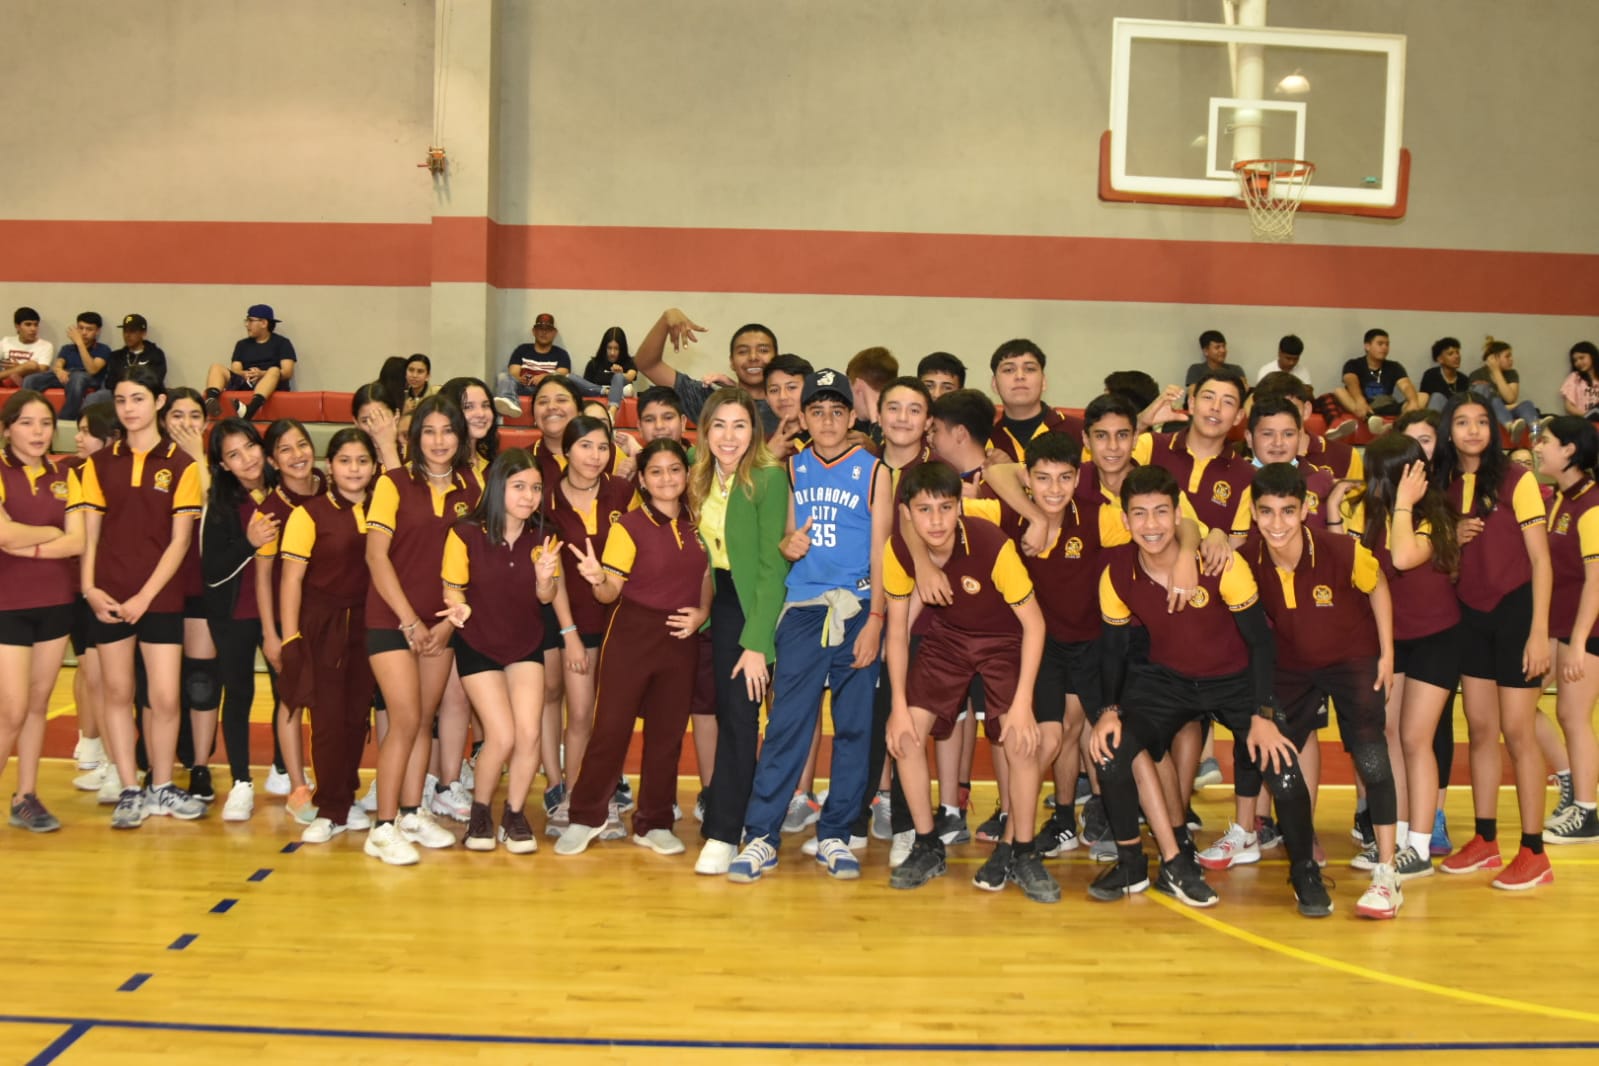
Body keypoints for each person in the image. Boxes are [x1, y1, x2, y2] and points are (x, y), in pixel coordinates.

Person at [1090, 465, 1330, 916]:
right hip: (1169, 681)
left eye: (1162, 512)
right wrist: (1107, 710)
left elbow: (1260, 641)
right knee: (1111, 749)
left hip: (1235, 680)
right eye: (1139, 514)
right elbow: (1113, 650)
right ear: (1125, 522)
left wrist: (1261, 713)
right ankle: (1131, 863)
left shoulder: (1220, 562)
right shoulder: (1116, 573)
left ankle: (1304, 872)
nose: (1151, 524)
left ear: (1178, 514)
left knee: (1281, 762)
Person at [719, 369, 890, 884]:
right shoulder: (790, 470)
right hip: (804, 610)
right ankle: (763, 836)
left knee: (856, 729)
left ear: (853, 416)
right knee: (788, 724)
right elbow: (786, 538)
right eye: (817, 411)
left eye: (838, 411)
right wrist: (787, 544)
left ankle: (836, 832)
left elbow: (883, 552)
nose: (829, 420)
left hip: (857, 608)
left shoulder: (875, 470)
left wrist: (877, 619)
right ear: (803, 417)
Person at [1246, 462, 1404, 918]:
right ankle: (1302, 863)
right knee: (1280, 763)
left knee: (1372, 758)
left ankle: (1388, 872)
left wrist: (1388, 655)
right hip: (1292, 668)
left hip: (1352, 659)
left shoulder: (1341, 550)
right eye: (1267, 512)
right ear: (1254, 513)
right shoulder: (1248, 558)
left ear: (1306, 510)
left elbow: (1378, 590)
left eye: (1287, 511)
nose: (1277, 523)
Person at [883, 461, 1045, 891]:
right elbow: (897, 633)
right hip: (949, 639)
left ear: (959, 507)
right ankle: (926, 844)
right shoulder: (898, 551)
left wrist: (1024, 703)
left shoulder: (991, 543)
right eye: (924, 510)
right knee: (904, 736)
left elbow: (1034, 625)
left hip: (1004, 640)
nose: (935, 520)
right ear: (909, 513)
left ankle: (1024, 850)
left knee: (1023, 739)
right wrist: (899, 707)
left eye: (945, 507)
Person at [557, 439, 711, 856]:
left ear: (686, 474)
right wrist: (596, 578)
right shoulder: (628, 526)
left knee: (668, 735)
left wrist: (701, 613)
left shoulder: (698, 523)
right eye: (656, 471)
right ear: (642, 479)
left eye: (674, 469)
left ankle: (654, 821)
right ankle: (586, 816)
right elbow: (609, 594)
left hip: (680, 640)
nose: (666, 479)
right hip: (632, 635)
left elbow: (705, 578)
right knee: (611, 730)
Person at [72, 367, 207, 828]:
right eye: (123, 400)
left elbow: (180, 542)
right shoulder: (98, 463)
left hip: (159, 598)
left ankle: (162, 785)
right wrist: (89, 588)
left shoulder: (182, 465)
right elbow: (89, 533)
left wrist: (146, 597)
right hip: (107, 595)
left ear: (159, 402)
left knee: (166, 697)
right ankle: (130, 787)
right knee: (116, 692)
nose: (130, 409)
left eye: (138, 399)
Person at [1432, 392, 1554, 889]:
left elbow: (1541, 561)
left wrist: (1540, 632)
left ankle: (1534, 850)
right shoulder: (1440, 483)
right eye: (1462, 422)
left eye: (1482, 421)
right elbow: (1436, 556)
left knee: (1519, 732)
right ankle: (1485, 839)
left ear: (1494, 429)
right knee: (1480, 730)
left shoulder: (1517, 479)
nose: (1473, 430)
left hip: (1517, 614)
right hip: (1469, 616)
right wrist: (1450, 537)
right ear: (1449, 431)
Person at [1333, 431, 1463, 882]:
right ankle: (1401, 835)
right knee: (1388, 733)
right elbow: (1344, 565)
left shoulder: (1435, 514)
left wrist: (1405, 502)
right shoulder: (1364, 512)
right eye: (1380, 478)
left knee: (1415, 738)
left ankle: (1422, 845)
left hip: (1436, 639)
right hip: (1390, 639)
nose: (1383, 486)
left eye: (1395, 477)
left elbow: (1405, 557)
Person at [362, 394, 481, 865]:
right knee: (406, 718)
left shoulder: (473, 487)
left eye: (447, 431)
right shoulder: (392, 484)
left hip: (443, 625)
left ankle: (411, 812)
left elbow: (473, 564)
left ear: (460, 437)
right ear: (415, 438)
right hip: (391, 620)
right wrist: (410, 620)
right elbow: (376, 556)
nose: (438, 440)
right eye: (428, 431)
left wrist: (447, 625)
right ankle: (383, 826)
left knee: (424, 720)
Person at [438, 448, 561, 852]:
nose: (529, 496)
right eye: (519, 487)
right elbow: (452, 586)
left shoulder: (544, 533)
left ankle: (514, 814)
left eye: (536, 488)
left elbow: (547, 597)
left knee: (529, 734)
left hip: (525, 642)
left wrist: (546, 579)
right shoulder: (465, 532)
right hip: (479, 642)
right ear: (497, 488)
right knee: (503, 735)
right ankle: (479, 811)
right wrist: (456, 604)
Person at [689, 388, 790, 875]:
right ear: (705, 430)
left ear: (755, 431)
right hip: (706, 599)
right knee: (708, 707)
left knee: (739, 714)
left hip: (749, 602)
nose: (729, 437)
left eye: (740, 425)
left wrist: (757, 643)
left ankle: (727, 832)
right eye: (719, 426)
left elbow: (773, 568)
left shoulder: (769, 478)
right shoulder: (696, 467)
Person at [278, 428, 380, 844]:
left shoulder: (384, 509)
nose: (354, 469)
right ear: (330, 466)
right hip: (324, 626)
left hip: (371, 625)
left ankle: (346, 796)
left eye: (362, 461)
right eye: (345, 461)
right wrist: (290, 639)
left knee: (357, 718)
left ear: (374, 467)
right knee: (327, 720)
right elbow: (290, 581)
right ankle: (328, 806)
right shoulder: (310, 514)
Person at [538, 414, 636, 837]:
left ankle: (601, 795)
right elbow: (552, 573)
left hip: (617, 620)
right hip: (568, 620)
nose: (595, 456)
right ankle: (575, 797)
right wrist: (570, 634)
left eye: (602, 447)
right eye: (585, 446)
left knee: (608, 715)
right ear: (567, 450)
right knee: (579, 713)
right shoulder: (547, 501)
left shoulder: (623, 491)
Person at [0, 391, 85, 832]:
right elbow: (1, 533)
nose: (38, 432)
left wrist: (26, 542)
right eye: (28, 423)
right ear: (8, 427)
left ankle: (26, 796)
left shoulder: (66, 473)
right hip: (7, 605)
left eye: (45, 423)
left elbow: (77, 541)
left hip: (54, 603)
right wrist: (49, 533)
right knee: (10, 710)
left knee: (36, 705)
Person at [253, 419, 329, 822]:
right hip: (291, 622)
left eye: (302, 444)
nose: (298, 454)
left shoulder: (331, 487)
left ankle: (329, 779)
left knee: (329, 702)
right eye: (285, 449)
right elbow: (264, 580)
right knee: (291, 700)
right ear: (272, 460)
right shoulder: (269, 511)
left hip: (333, 616)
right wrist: (272, 632)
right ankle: (297, 784)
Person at [1534, 417, 1599, 844]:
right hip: (1560, 627)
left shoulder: (1591, 505)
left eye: (1547, 441)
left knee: (1574, 717)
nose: (1538, 447)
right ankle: (1571, 782)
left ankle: (1588, 812)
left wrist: (1578, 643)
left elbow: (1596, 580)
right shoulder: (1561, 497)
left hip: (1587, 630)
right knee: (1520, 707)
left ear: (1570, 451)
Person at [65, 404, 121, 796]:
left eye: (87, 431)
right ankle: (97, 748)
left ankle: (116, 760)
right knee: (87, 671)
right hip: (73, 586)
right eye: (78, 430)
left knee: (106, 677)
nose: (78, 437)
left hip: (104, 585)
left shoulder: (111, 475)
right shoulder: (69, 471)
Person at [633, 308, 782, 435]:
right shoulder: (710, 399)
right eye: (743, 351)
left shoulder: (791, 402)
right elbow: (647, 364)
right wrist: (667, 318)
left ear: (776, 357)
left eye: (763, 350)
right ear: (731, 362)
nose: (753, 357)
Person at [495, 313, 626, 416]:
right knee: (503, 376)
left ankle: (606, 391)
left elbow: (563, 374)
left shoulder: (561, 354)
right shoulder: (522, 350)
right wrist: (522, 379)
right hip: (525, 387)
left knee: (570, 378)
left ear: (554, 333)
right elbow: (513, 373)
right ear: (534, 331)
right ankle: (510, 403)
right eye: (540, 328)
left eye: (548, 329)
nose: (544, 332)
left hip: (551, 390)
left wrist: (545, 377)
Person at [987, 339, 1084, 463]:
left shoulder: (1080, 432)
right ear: (994, 384)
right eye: (1009, 370)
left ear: (1043, 381)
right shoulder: (986, 440)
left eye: (1030, 369)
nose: (1020, 376)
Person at [204, 304, 297, 420]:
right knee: (216, 367)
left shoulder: (282, 343)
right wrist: (246, 374)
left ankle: (250, 410)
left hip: (270, 382)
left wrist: (262, 374)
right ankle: (211, 400)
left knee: (274, 370)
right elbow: (236, 369)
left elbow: (288, 372)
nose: (247, 325)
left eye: (250, 321)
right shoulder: (242, 344)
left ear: (264, 323)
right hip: (246, 381)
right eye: (246, 321)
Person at [22, 311, 107, 420]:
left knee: (77, 377)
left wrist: (80, 343)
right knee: (31, 379)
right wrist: (59, 371)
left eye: (89, 329)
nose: (84, 332)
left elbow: (92, 370)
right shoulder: (67, 348)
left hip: (87, 378)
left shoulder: (103, 349)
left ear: (97, 331)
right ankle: (29, 416)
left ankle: (66, 419)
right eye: (80, 328)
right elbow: (58, 364)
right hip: (66, 376)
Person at [1335, 328, 1421, 429]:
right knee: (1339, 391)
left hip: (1387, 404)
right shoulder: (1353, 364)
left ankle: (1397, 425)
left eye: (1387, 344)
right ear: (1367, 346)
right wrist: (1360, 400)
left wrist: (1413, 402)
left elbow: (1406, 385)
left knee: (1422, 396)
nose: (1384, 348)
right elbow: (1351, 382)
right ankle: (1370, 419)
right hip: (1364, 406)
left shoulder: (1394, 366)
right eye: (1380, 344)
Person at [1469, 336, 1540, 447]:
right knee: (1495, 401)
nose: (1511, 359)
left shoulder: (1511, 373)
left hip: (1508, 410)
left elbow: (1510, 398)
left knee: (1527, 404)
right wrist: (1495, 370)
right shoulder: (1477, 375)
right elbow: (1479, 403)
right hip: (1490, 412)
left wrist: (1497, 373)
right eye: (1507, 356)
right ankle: (1510, 428)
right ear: (1495, 358)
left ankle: (1536, 430)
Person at [85, 314, 168, 408]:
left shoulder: (155, 354)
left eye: (132, 331)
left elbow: (156, 380)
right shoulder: (116, 356)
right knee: (94, 398)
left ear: (143, 333)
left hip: (144, 395)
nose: (127, 335)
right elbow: (110, 382)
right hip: (119, 394)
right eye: (125, 331)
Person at [762, 353, 814, 460]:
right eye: (774, 390)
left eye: (791, 387)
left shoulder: (831, 437)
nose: (782, 397)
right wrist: (767, 458)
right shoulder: (760, 447)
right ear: (766, 398)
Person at [1184, 330, 1248, 403]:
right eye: (1217, 347)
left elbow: (1244, 393)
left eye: (1224, 346)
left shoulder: (1236, 369)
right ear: (1206, 351)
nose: (1223, 350)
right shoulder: (1196, 369)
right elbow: (1192, 394)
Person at [2, 307, 54, 387]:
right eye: (28, 324)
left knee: (32, 365)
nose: (33, 329)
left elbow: (43, 370)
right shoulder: (6, 341)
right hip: (5, 379)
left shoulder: (46, 345)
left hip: (29, 382)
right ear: (17, 326)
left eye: (36, 325)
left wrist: (19, 367)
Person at [1418, 337, 1471, 414]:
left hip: (1458, 416)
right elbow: (1423, 400)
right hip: (1437, 416)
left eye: (1457, 352)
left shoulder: (1464, 379)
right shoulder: (1430, 376)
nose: (1457, 356)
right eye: (1450, 354)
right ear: (1440, 359)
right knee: (1437, 397)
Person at [580, 326, 638, 396]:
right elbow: (585, 388)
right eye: (609, 348)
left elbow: (630, 376)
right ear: (604, 347)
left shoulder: (629, 362)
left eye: (616, 348)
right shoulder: (593, 364)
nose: (612, 353)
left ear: (622, 349)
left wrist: (620, 375)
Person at [1559, 342, 1599, 418]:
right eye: (1575, 360)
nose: (1578, 363)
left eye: (1582, 358)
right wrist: (1586, 416)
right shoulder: (1575, 377)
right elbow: (1568, 407)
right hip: (1581, 420)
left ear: (1592, 356)